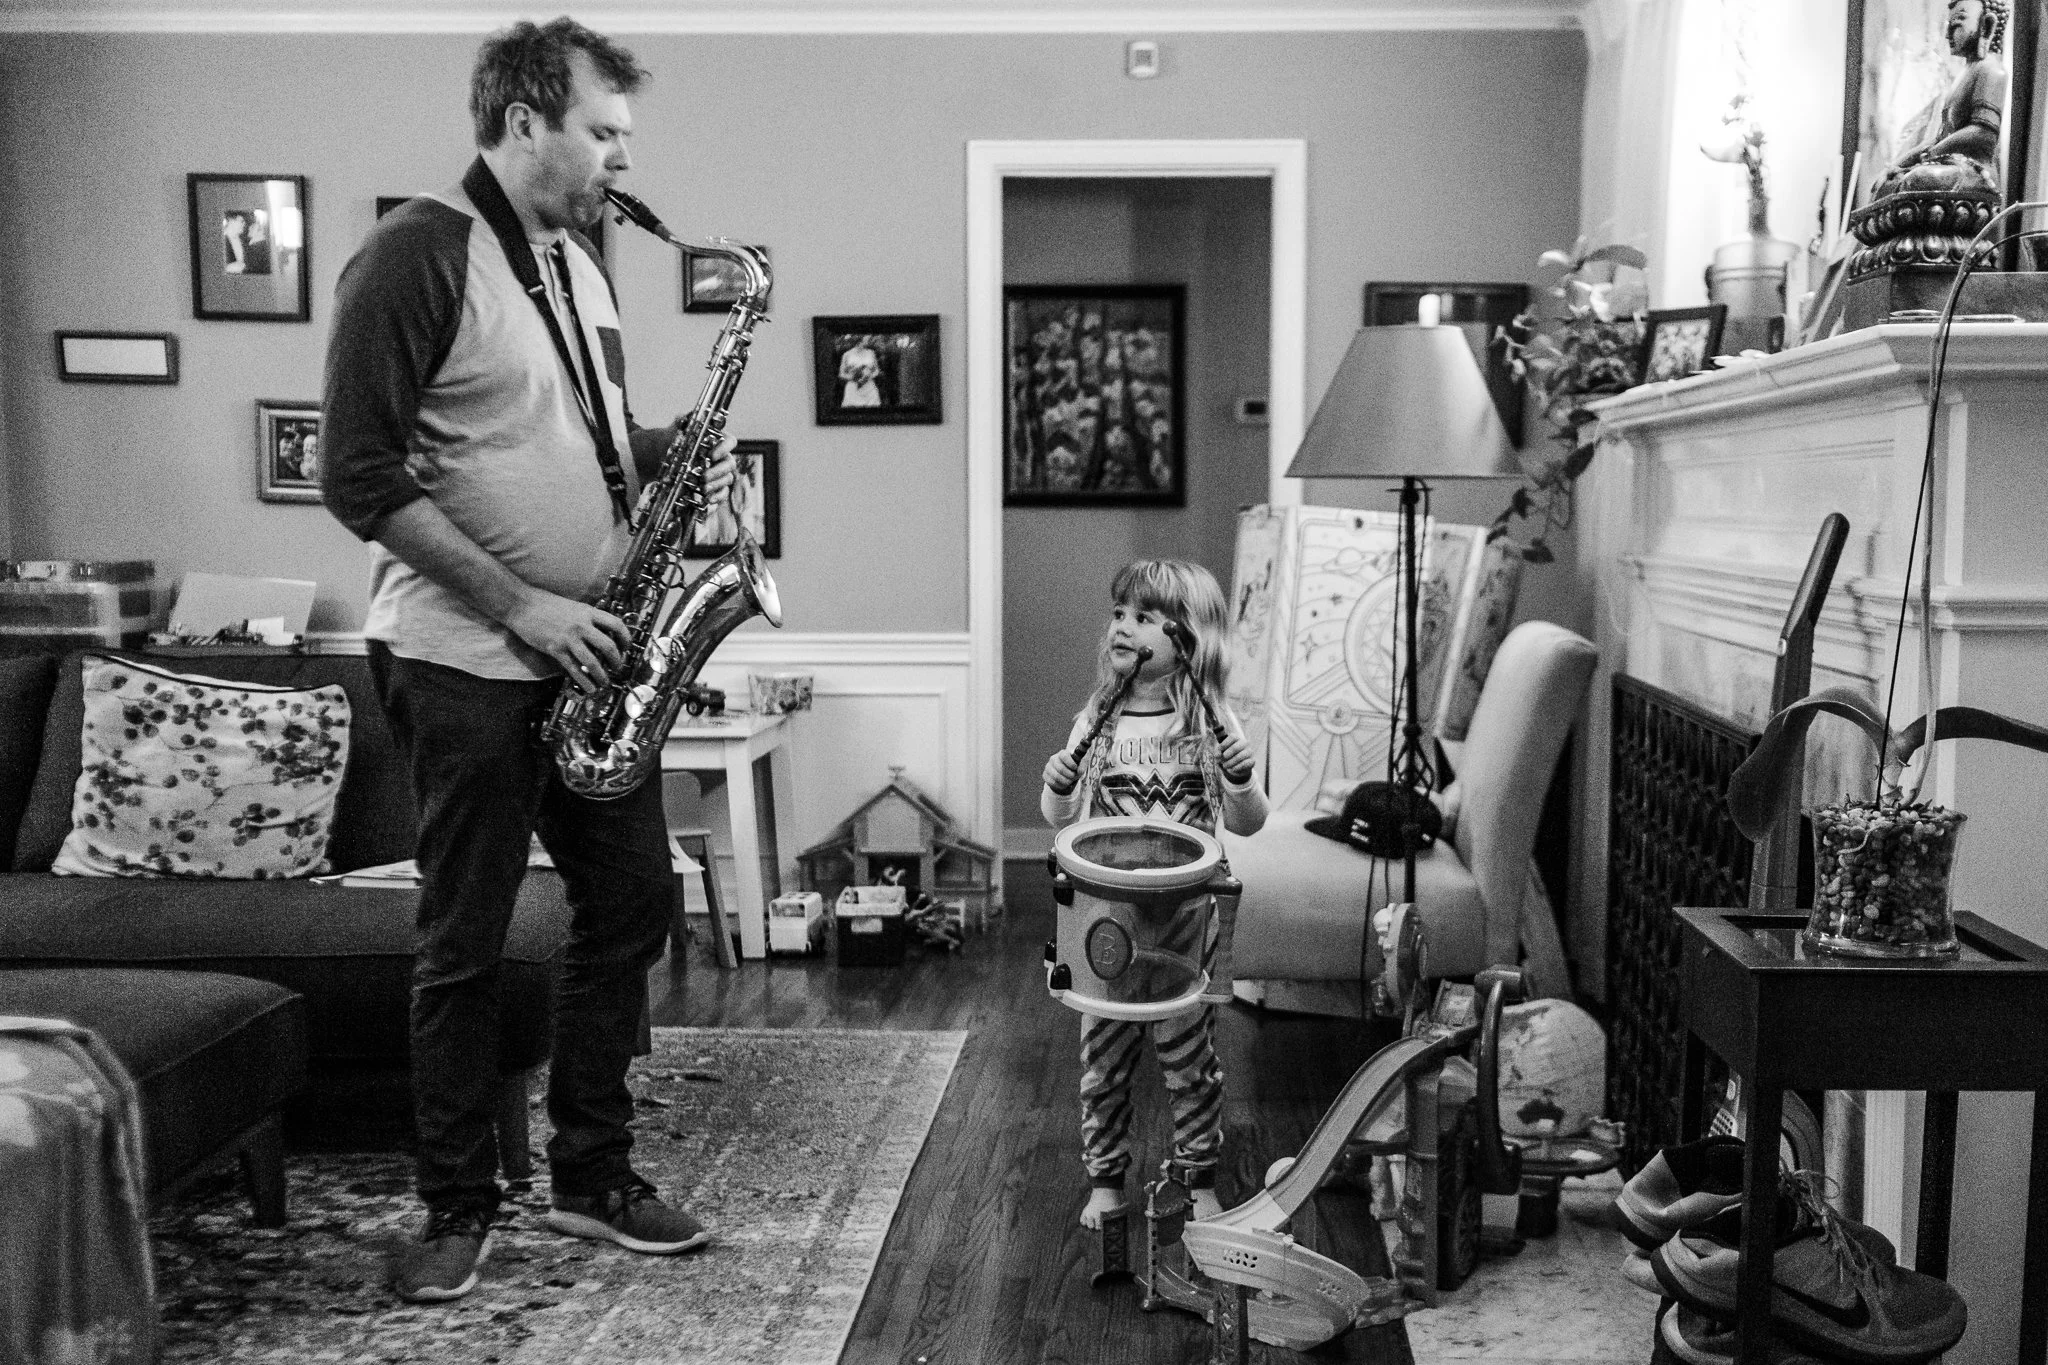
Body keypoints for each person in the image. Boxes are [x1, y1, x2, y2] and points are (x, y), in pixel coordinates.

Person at [319, 16, 736, 1305]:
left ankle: (593, 1175)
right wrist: (528, 608)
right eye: (601, 133)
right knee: (464, 934)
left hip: (597, 656)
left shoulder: (579, 257)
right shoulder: (411, 256)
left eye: (624, 136)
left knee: (629, 904)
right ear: (519, 123)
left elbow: (562, 433)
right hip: (465, 659)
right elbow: (358, 477)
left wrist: (669, 449)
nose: (619, 158)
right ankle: (454, 1204)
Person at [1040, 559, 1268, 1229]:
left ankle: (1198, 1182)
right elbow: (1058, 819)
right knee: (1103, 1059)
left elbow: (1249, 822)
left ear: (1188, 638)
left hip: (1182, 921)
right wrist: (1058, 782)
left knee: (1190, 1060)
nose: (1123, 626)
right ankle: (1106, 1181)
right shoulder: (1097, 720)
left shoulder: (1210, 721)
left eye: (1143, 617)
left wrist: (1241, 779)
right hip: (1106, 921)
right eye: (1119, 613)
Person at [1876, 0, 2009, 196]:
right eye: (1948, 26)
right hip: (1948, 164)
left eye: (1957, 25)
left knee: (1918, 181)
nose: (1948, 35)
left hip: (1975, 172)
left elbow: (1982, 133)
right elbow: (1939, 137)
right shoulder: (1962, 77)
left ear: (1987, 26)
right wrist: (1895, 165)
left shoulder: (1992, 71)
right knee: (1889, 183)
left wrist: (1931, 155)